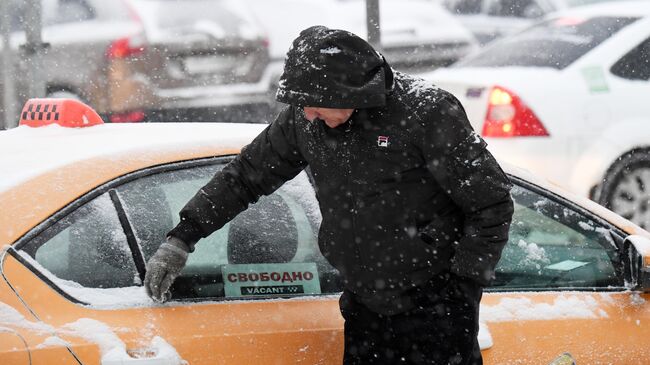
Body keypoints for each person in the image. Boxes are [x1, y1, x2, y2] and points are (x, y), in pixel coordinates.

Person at [144, 25, 514, 365]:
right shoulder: (306, 121)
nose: (306, 113)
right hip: (364, 303)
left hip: (435, 306)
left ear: (349, 90)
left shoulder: (426, 112)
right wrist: (184, 236)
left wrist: (462, 285)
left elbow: (492, 201)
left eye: (313, 103)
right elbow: (245, 177)